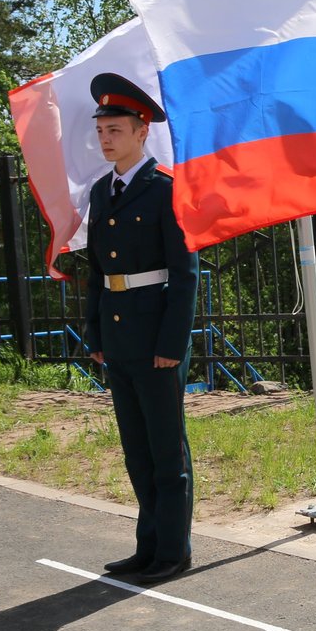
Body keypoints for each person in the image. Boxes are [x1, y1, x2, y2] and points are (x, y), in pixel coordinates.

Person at [82, 73, 200, 584]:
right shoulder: (101, 192)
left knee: (166, 448)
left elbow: (185, 272)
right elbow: (95, 272)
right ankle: (147, 545)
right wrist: (96, 337)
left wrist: (172, 344)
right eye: (101, 129)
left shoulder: (165, 189)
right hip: (119, 334)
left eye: (115, 129)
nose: (106, 138)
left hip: (156, 337)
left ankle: (173, 550)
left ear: (141, 131)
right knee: (136, 448)